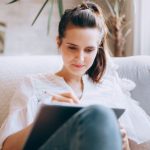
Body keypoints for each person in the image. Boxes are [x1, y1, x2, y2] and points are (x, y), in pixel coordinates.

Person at [0, 1, 150, 150]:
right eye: (72, 48)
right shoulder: (33, 85)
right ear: (58, 41)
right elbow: (7, 147)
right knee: (99, 113)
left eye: (89, 50)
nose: (80, 58)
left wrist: (124, 146)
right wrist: (45, 121)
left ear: (97, 50)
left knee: (101, 116)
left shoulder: (110, 88)